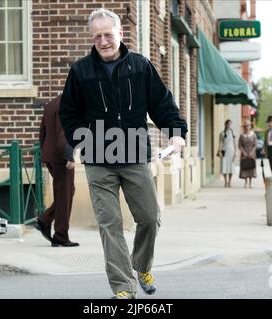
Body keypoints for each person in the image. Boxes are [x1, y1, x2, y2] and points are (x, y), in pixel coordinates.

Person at [59, 8, 187, 299]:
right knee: (110, 224)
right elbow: (69, 113)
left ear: (119, 34)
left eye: (108, 34)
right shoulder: (81, 71)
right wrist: (83, 141)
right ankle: (123, 287)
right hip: (98, 161)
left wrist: (176, 133)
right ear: (92, 38)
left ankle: (141, 265)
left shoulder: (140, 67)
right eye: (97, 36)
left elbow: (162, 103)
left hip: (134, 156)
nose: (103, 41)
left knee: (150, 217)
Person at [36, 94, 79, 247]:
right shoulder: (69, 103)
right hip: (62, 157)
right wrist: (69, 156)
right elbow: (65, 133)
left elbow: (42, 132)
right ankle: (59, 234)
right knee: (65, 194)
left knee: (65, 193)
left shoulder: (51, 104)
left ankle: (48, 221)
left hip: (51, 156)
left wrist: (46, 153)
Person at [238, 120, 257, 188]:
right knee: (245, 167)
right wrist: (243, 152)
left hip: (252, 153)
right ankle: (245, 182)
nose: (246, 127)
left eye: (248, 126)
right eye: (245, 126)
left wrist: (252, 152)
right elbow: (240, 145)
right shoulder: (241, 135)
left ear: (250, 126)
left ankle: (250, 182)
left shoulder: (253, 134)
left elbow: (255, 145)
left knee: (251, 167)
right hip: (244, 153)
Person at [218, 119, 236, 187]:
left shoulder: (232, 133)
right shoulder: (222, 133)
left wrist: (235, 152)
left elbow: (234, 143)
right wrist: (219, 151)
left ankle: (230, 182)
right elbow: (220, 143)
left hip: (231, 151)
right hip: (224, 151)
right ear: (225, 125)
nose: (229, 125)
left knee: (231, 167)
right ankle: (225, 181)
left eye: (230, 124)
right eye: (228, 124)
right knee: (224, 166)